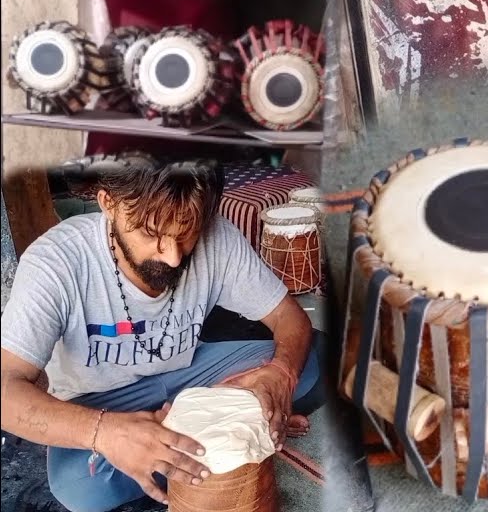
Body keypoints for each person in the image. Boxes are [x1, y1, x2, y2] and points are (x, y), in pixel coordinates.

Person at [0, 160, 323, 512]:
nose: (172, 256)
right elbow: (6, 388)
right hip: (103, 400)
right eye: (151, 233)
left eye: (187, 232)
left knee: (313, 363)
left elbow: (288, 317)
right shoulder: (56, 261)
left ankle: (210, 424)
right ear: (109, 203)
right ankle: (214, 430)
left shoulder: (217, 236)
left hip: (192, 375)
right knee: (81, 488)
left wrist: (281, 375)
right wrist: (105, 432)